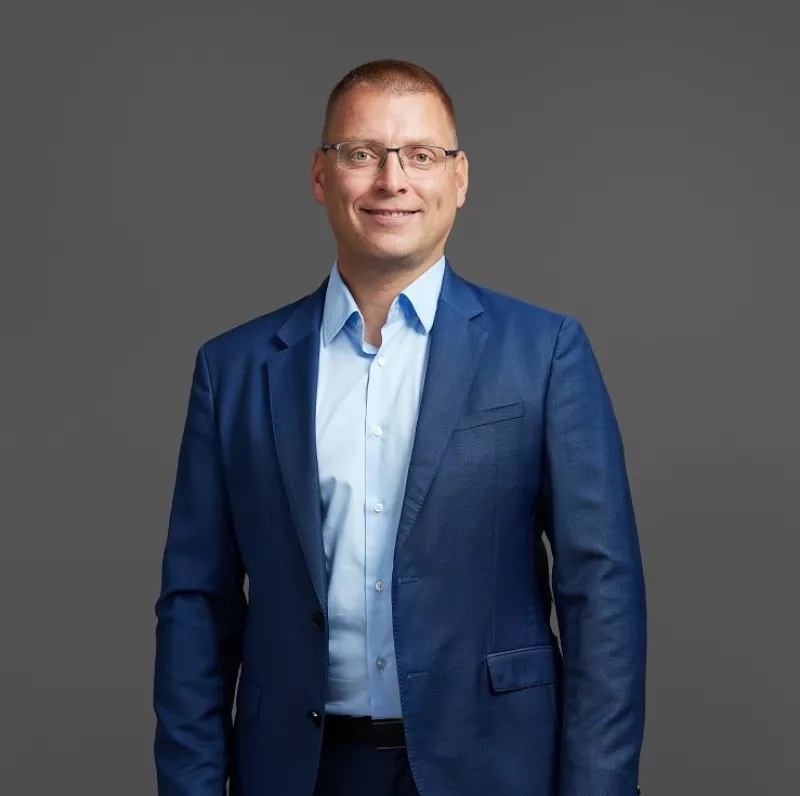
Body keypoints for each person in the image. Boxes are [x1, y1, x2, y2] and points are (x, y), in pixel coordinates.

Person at [153, 58, 646, 796]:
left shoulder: (543, 352)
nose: (393, 181)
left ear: (460, 179)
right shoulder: (236, 369)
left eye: (421, 155)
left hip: (496, 765)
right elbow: (196, 601)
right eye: (362, 154)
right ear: (322, 177)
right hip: (300, 770)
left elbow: (601, 594)